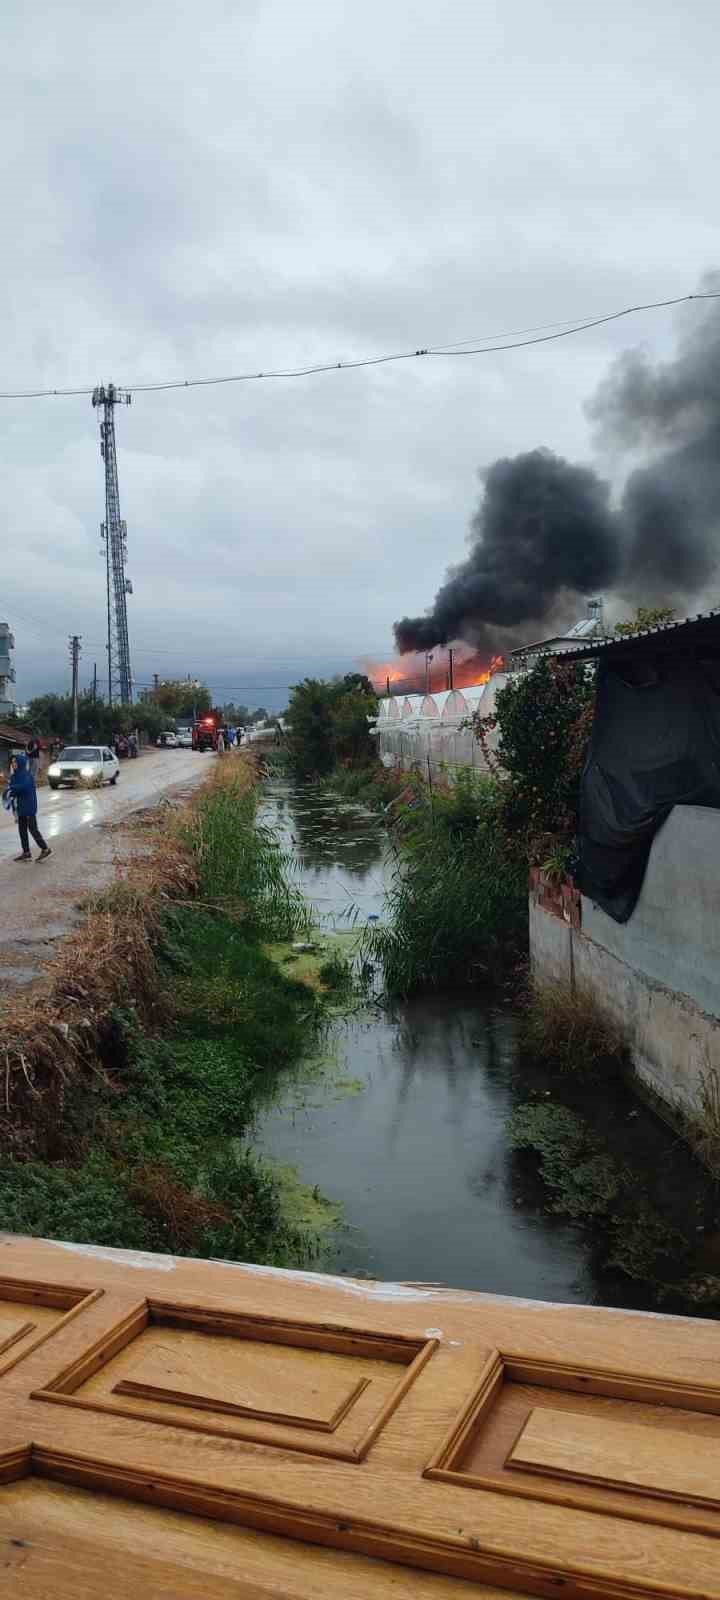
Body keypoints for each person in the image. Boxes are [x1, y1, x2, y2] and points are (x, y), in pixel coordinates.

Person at [6, 753, 51, 862]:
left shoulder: (27, 775)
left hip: (28, 807)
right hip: (19, 808)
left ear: (21, 763)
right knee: (22, 830)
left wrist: (11, 789)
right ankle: (26, 852)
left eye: (15, 762)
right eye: (12, 762)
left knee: (33, 829)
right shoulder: (14, 776)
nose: (14, 764)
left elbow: (23, 788)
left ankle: (45, 848)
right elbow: (12, 791)